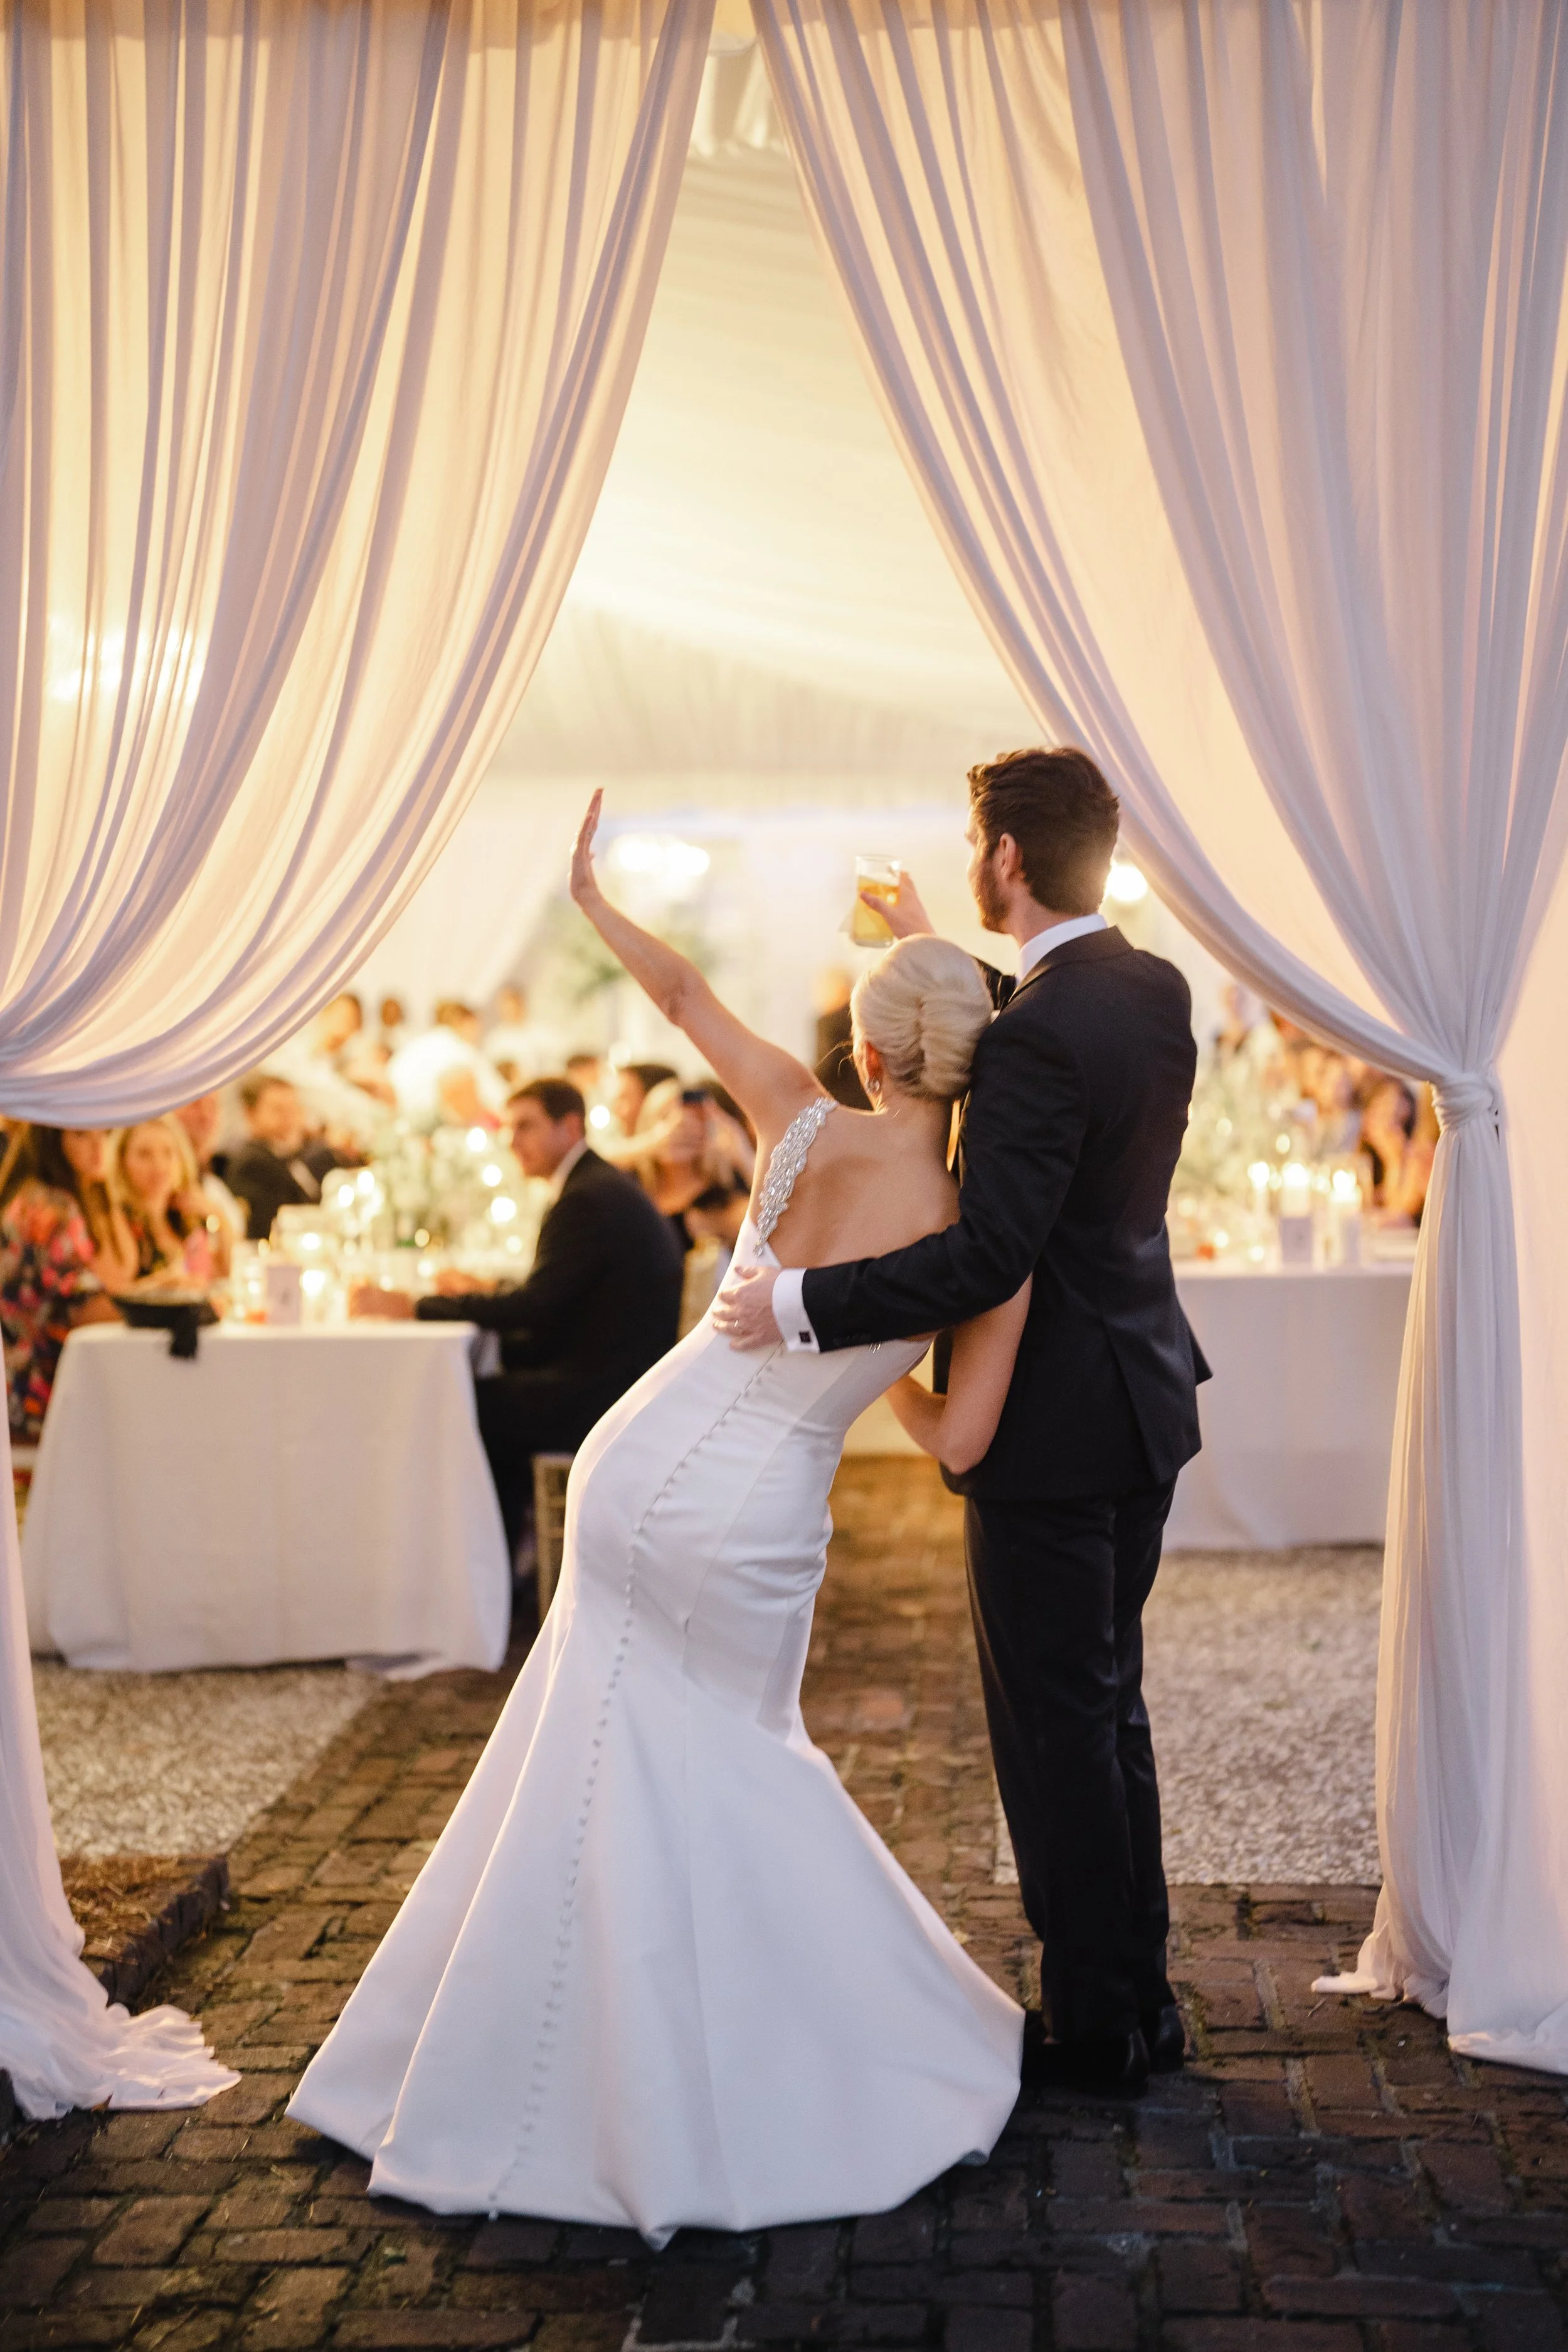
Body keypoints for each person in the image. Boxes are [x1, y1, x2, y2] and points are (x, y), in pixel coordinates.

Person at [289, 789, 1023, 2238]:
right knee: (729, 1761)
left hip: (640, 1454)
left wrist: (592, 896)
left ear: (864, 1050)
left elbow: (682, 992)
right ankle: (704, 2071)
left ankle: (515, 2060)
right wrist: (869, 1376)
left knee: (591, 1754)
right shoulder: (978, 1234)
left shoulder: (797, 1119)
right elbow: (964, 1440)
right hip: (754, 1510)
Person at [717, 746, 1209, 2099]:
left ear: (1005, 857)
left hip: (1050, 1432)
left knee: (1055, 1733)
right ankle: (1138, 1993)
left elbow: (988, 1254)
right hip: (1141, 1401)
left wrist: (804, 1302)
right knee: (1106, 1715)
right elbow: (1044, 1029)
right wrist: (929, 938)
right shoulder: (1145, 989)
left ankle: (1098, 2024)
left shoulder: (1050, 1026)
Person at [348, 1078, 685, 1559]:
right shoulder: (595, 1184)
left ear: (569, 1127)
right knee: (480, 1393)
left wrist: (415, 1305)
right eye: (508, 1127)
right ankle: (507, 1564)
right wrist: (489, 1292)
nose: (511, 1141)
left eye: (525, 1126)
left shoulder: (585, 1198)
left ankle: (490, 1568)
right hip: (625, 1379)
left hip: (606, 1396)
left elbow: (534, 1309)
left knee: (465, 1407)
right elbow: (552, 1298)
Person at [0, 1127, 126, 1443]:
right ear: (52, 1142)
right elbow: (83, 1309)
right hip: (35, 1389)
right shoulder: (49, 1207)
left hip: (25, 1381)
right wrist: (170, 1300)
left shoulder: (39, 1195)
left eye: (107, 1134)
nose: (99, 1147)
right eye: (83, 1135)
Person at [225, 1075, 345, 1242]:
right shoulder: (253, 1163)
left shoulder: (292, 1154)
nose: (289, 1119)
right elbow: (272, 1226)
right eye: (278, 1110)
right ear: (250, 1114)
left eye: (294, 1109)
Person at [111, 1117, 225, 1280]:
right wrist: (166, 1284)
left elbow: (221, 1275)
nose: (159, 1165)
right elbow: (119, 1292)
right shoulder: (119, 1218)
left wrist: (218, 1216)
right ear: (122, 1161)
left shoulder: (185, 1217)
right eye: (145, 1154)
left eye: (168, 1153)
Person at [388, 1000, 508, 1132]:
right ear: (466, 1023)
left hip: (398, 1123)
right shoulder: (458, 1048)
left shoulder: (415, 1046)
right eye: (477, 1027)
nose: (478, 1035)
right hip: (435, 1127)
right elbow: (495, 1094)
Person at [173, 1096, 246, 1248]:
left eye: (213, 1106)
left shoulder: (209, 1176)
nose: (205, 1116)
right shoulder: (169, 1181)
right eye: (195, 1105)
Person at [813, 965, 871, 1110]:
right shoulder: (866, 1017)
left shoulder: (829, 1022)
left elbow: (827, 1067)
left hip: (841, 1103)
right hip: (869, 1099)